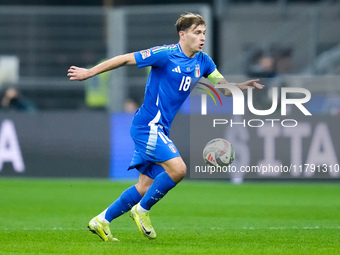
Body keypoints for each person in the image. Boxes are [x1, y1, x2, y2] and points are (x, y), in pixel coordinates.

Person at [67, 13, 264, 241]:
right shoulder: (165, 54)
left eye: (204, 33)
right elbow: (124, 58)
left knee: (144, 186)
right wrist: (90, 72)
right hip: (147, 126)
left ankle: (101, 220)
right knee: (178, 170)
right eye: (197, 33)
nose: (202, 38)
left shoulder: (204, 61)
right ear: (183, 35)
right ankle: (141, 211)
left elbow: (224, 88)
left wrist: (240, 86)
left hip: (159, 128)